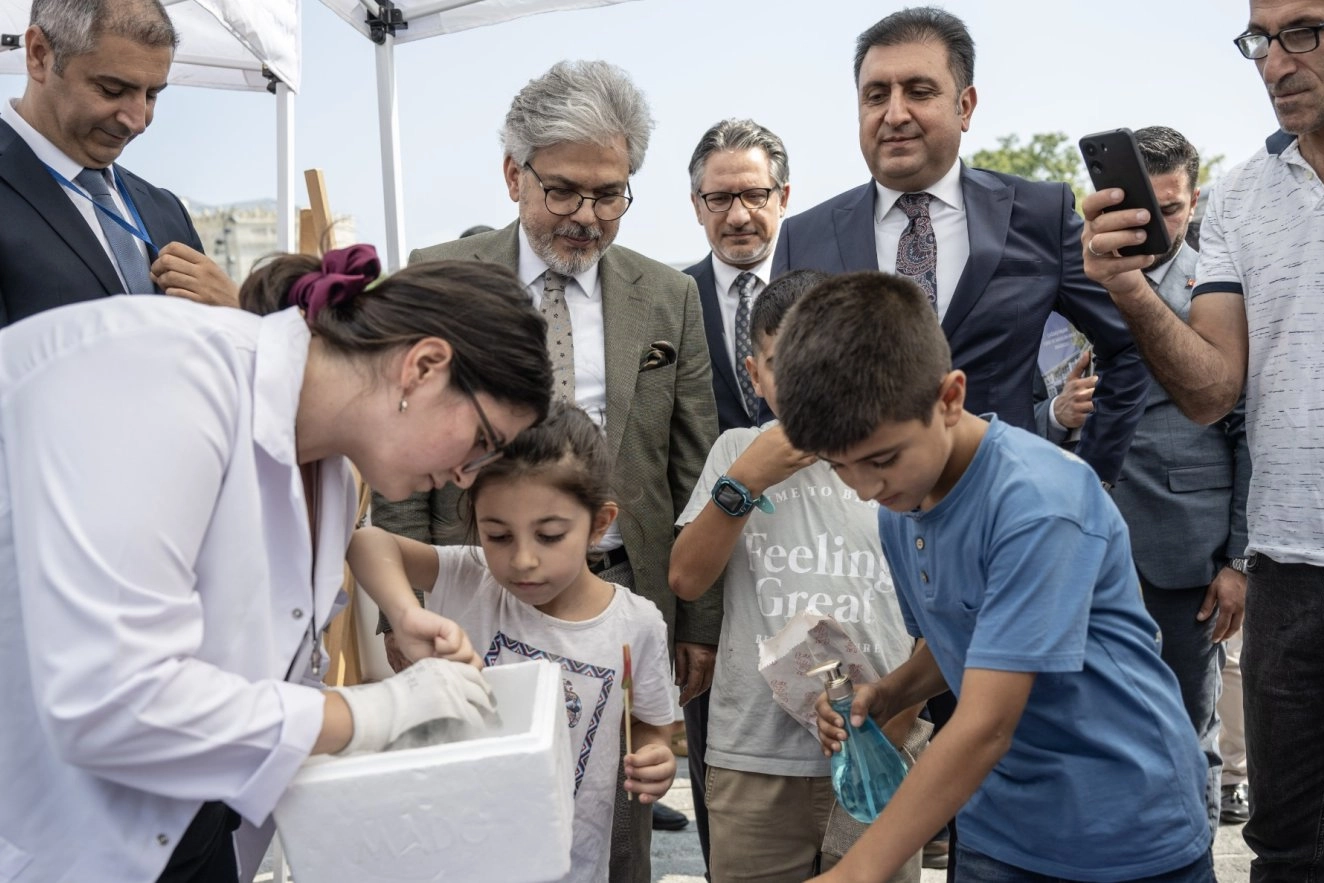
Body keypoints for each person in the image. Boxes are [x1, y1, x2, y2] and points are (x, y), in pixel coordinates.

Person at [0, 244, 553, 882]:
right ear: (423, 367)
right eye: (482, 443)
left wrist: (401, 637)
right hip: (49, 829)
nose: (464, 476)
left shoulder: (334, 475)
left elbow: (248, 675)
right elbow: (113, 703)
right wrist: (384, 711)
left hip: (182, 823)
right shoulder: (167, 375)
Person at [376, 59, 720, 881]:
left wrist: (696, 620)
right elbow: (400, 460)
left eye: (610, 193)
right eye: (563, 191)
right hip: (484, 597)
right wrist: (403, 613)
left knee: (613, 816)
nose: (587, 216)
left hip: (620, 600)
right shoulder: (439, 274)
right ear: (512, 175)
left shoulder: (666, 293)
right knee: (475, 807)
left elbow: (694, 462)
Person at [771, 271, 1212, 882]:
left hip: (1119, 825)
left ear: (950, 398)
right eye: (839, 467)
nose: (866, 488)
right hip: (996, 825)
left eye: (881, 459)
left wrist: (857, 870)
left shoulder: (1038, 503)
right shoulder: (907, 501)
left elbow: (983, 725)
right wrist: (890, 692)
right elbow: (963, 637)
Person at [1081, 5, 1324, 877]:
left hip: (1223, 552)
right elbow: (1213, 389)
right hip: (1290, 566)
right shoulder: (1244, 197)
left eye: (1306, 32)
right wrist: (1129, 290)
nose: (1275, 63)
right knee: (1288, 847)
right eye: (1261, 39)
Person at [772, 6, 1146, 487]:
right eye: (875, 95)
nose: (895, 113)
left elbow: (1127, 349)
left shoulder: (1039, 214)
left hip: (1009, 512)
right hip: (858, 529)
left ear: (965, 106)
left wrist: (1086, 480)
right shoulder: (805, 236)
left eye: (920, 92)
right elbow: (782, 393)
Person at [348, 403, 676, 883]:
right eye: (498, 535)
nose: (523, 560)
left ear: (599, 524)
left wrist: (656, 760)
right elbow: (366, 543)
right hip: (457, 855)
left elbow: (651, 726)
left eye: (549, 536)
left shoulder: (637, 623)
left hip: (570, 863)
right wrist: (406, 612)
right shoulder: (471, 576)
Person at [669, 270, 920, 883]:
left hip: (878, 746)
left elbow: (935, 609)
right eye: (786, 365)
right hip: (754, 756)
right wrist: (746, 482)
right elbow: (686, 578)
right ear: (755, 375)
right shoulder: (735, 452)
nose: (810, 386)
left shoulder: (907, 458)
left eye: (826, 359)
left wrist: (904, 713)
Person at [1091, 125, 1250, 839]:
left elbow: (1250, 433)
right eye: (1142, 207)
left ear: (1193, 200)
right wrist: (1055, 411)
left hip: (1188, 557)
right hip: (1087, 547)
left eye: (1173, 209)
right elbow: (1032, 397)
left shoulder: (1220, 285)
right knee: (1097, 729)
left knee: (1190, 730)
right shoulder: (1081, 275)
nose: (1156, 225)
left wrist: (1238, 561)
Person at [0, 0, 238, 328]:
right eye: (112, 90)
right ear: (39, 54)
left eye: (152, 95)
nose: (138, 121)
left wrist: (237, 312)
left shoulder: (167, 210)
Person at [685, 118, 790, 433]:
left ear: (782, 199)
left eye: (754, 195)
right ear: (697, 207)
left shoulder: (821, 293)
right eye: (719, 199)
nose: (738, 216)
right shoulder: (672, 300)